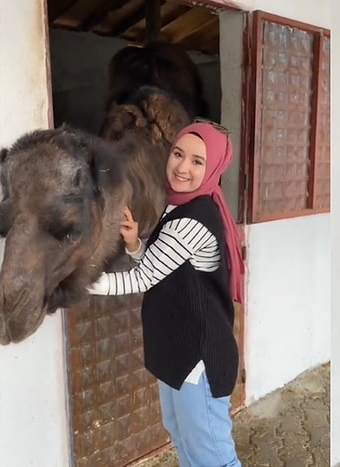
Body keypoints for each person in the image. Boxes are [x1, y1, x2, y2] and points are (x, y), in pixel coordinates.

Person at [87, 119, 245, 467]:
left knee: (212, 457)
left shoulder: (193, 218)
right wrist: (134, 245)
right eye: (178, 154)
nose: (182, 167)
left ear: (214, 167)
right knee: (185, 443)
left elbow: (143, 279)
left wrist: (81, 279)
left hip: (197, 359)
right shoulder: (180, 206)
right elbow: (166, 270)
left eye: (197, 161)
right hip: (177, 350)